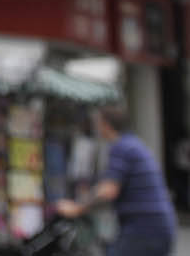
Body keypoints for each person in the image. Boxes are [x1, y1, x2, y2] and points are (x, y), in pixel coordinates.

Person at [57, 104, 176, 256]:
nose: (96, 127)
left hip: (144, 228)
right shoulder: (132, 144)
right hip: (157, 226)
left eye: (98, 122)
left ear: (105, 124)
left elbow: (108, 191)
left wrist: (77, 208)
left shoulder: (121, 147)